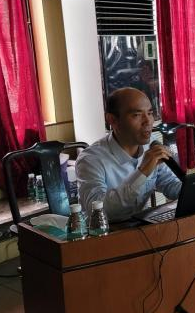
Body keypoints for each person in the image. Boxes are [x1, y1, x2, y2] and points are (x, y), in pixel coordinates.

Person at [76, 87, 182, 222]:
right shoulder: (90, 160)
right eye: (137, 115)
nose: (148, 121)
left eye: (150, 113)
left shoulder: (149, 146)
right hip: (105, 232)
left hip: (139, 228)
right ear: (112, 120)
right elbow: (100, 212)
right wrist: (142, 172)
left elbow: (170, 184)